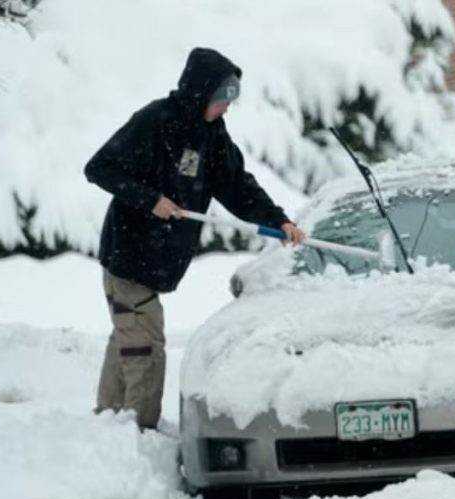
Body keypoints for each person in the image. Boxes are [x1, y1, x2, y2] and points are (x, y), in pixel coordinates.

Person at [84, 47, 305, 429]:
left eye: (229, 102)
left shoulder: (212, 136)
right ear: (200, 92)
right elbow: (99, 168)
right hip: (129, 254)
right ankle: (138, 431)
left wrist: (278, 220)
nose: (225, 109)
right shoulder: (155, 120)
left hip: (158, 261)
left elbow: (238, 186)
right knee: (145, 347)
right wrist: (150, 200)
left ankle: (109, 424)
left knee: (129, 336)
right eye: (220, 100)